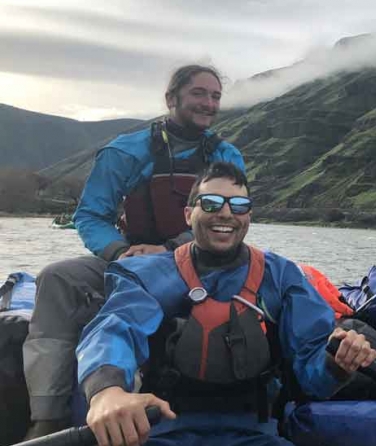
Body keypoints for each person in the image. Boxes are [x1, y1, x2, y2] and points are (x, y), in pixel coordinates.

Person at [76, 162, 376, 446]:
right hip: (163, 431)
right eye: (211, 203)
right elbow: (114, 329)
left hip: (255, 436)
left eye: (239, 206)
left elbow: (314, 373)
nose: (226, 213)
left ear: (248, 216)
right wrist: (107, 391)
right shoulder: (146, 275)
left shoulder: (282, 277)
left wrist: (336, 363)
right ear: (188, 214)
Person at [23, 64, 245, 438]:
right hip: (130, 259)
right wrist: (119, 252)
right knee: (57, 277)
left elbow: (231, 219)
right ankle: (47, 417)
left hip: (201, 261)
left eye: (215, 96)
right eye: (199, 94)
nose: (209, 103)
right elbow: (91, 214)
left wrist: (167, 249)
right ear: (171, 99)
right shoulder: (125, 151)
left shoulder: (227, 156)